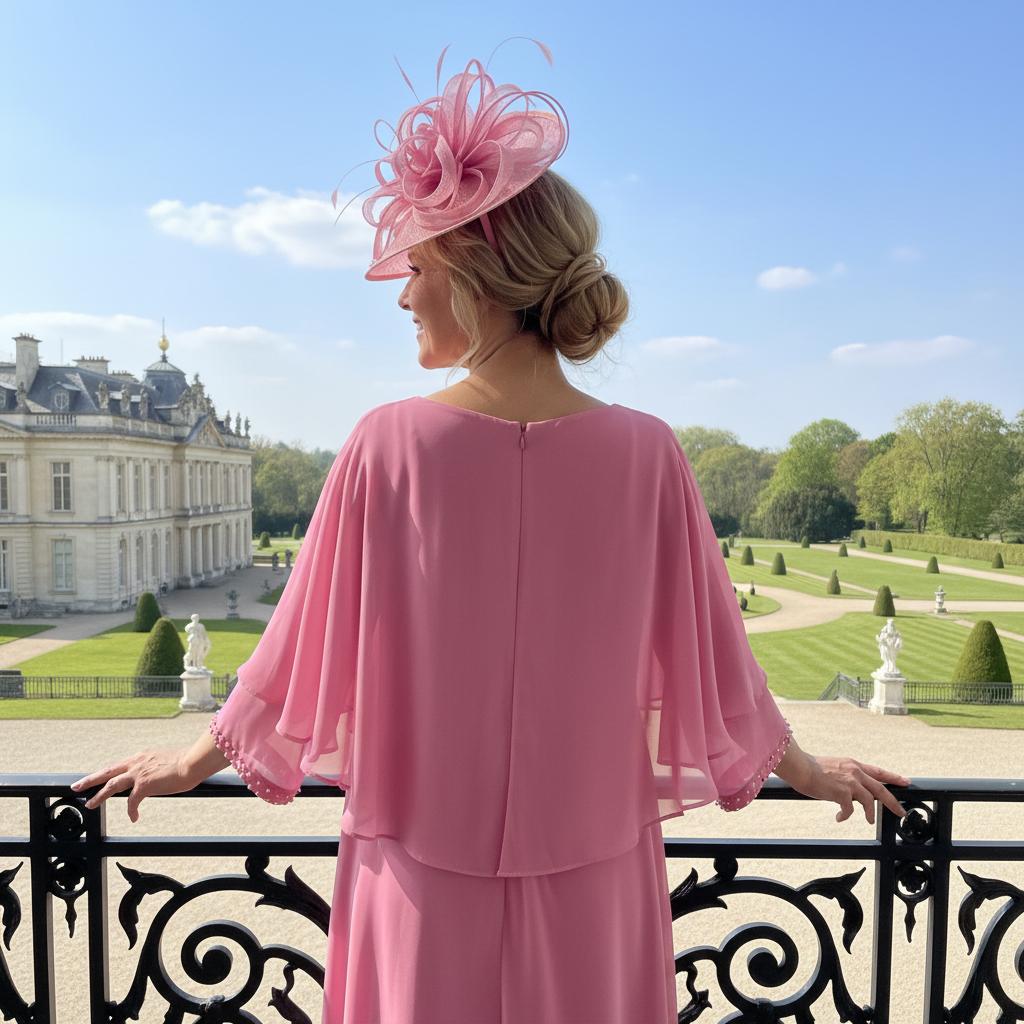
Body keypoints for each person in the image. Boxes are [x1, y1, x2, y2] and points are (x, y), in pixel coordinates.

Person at [72, 38, 910, 1024]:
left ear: (473, 269)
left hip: (417, 879)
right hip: (598, 880)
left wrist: (196, 756)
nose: (401, 292)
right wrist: (809, 769)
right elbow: (715, 659)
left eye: (416, 265)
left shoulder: (387, 443)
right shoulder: (648, 452)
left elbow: (301, 653)